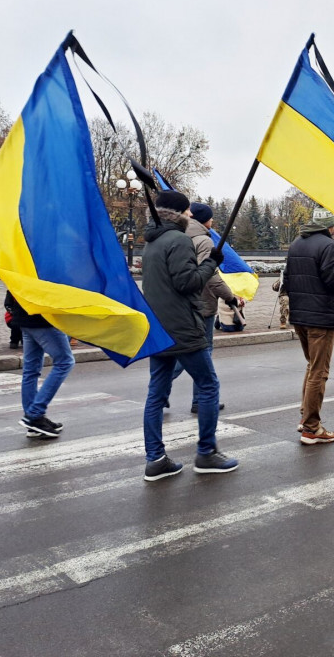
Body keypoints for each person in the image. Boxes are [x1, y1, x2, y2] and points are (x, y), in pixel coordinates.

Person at [141, 190, 235, 480]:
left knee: (156, 393)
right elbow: (187, 283)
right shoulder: (179, 240)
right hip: (182, 325)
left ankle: (155, 459)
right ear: (179, 213)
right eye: (188, 212)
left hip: (158, 327)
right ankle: (206, 453)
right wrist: (211, 263)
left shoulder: (151, 243)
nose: (191, 215)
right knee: (208, 385)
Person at [285, 207, 334, 444]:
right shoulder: (329, 246)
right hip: (320, 318)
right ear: (330, 227)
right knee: (319, 371)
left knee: (312, 367)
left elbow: (287, 279)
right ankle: (311, 428)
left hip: (299, 315)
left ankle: (305, 417)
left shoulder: (297, 243)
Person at [182, 202, 235, 414]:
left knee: (186, 352)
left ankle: (163, 393)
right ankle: (201, 399)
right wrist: (229, 296)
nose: (212, 222)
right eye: (211, 218)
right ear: (204, 219)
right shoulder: (204, 240)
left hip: (184, 303)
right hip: (202, 304)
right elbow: (209, 275)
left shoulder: (180, 236)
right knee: (202, 352)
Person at [4, 290, 75, 438]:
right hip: (43, 318)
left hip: (25, 316)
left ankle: (33, 421)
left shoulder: (23, 266)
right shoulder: (48, 266)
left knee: (31, 370)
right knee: (65, 362)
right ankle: (34, 415)